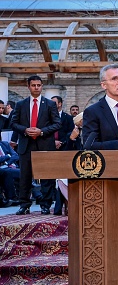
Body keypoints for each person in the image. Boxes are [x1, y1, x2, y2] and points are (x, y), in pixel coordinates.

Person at [12, 75, 62, 215]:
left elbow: (58, 123)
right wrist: (24, 130)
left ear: (42, 86)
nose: (36, 88)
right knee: (25, 176)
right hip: (26, 145)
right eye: (33, 85)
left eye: (39, 85)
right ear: (28, 86)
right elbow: (13, 123)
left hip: (44, 144)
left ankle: (45, 205)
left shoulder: (50, 104)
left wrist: (42, 132)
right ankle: (24, 205)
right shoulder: (21, 104)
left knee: (46, 176)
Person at [0, 140, 20, 207]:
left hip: (9, 166)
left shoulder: (4, 144)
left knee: (26, 171)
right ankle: (37, 195)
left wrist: (7, 162)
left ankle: (37, 195)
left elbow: (15, 156)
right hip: (2, 169)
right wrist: (7, 156)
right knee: (20, 173)